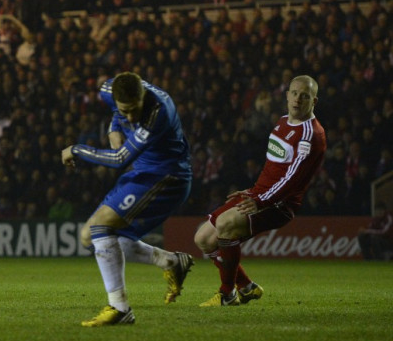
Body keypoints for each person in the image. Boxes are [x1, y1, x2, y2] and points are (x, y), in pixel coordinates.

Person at [61, 72, 194, 327]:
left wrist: (76, 149)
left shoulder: (160, 111)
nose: (131, 116)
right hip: (142, 173)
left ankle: (120, 308)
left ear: (143, 96)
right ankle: (170, 261)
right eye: (126, 110)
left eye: (135, 110)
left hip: (167, 177)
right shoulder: (107, 90)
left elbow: (120, 159)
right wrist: (115, 127)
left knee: (102, 226)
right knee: (89, 236)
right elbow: (116, 115)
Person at [194, 75, 326, 306]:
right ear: (286, 95)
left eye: (304, 96)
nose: (297, 100)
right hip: (261, 194)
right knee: (203, 239)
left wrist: (262, 199)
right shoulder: (284, 120)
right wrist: (254, 190)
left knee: (225, 225)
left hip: (279, 204)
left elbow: (293, 178)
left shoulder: (311, 135)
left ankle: (227, 294)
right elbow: (275, 166)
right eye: (294, 93)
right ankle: (246, 286)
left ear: (314, 101)